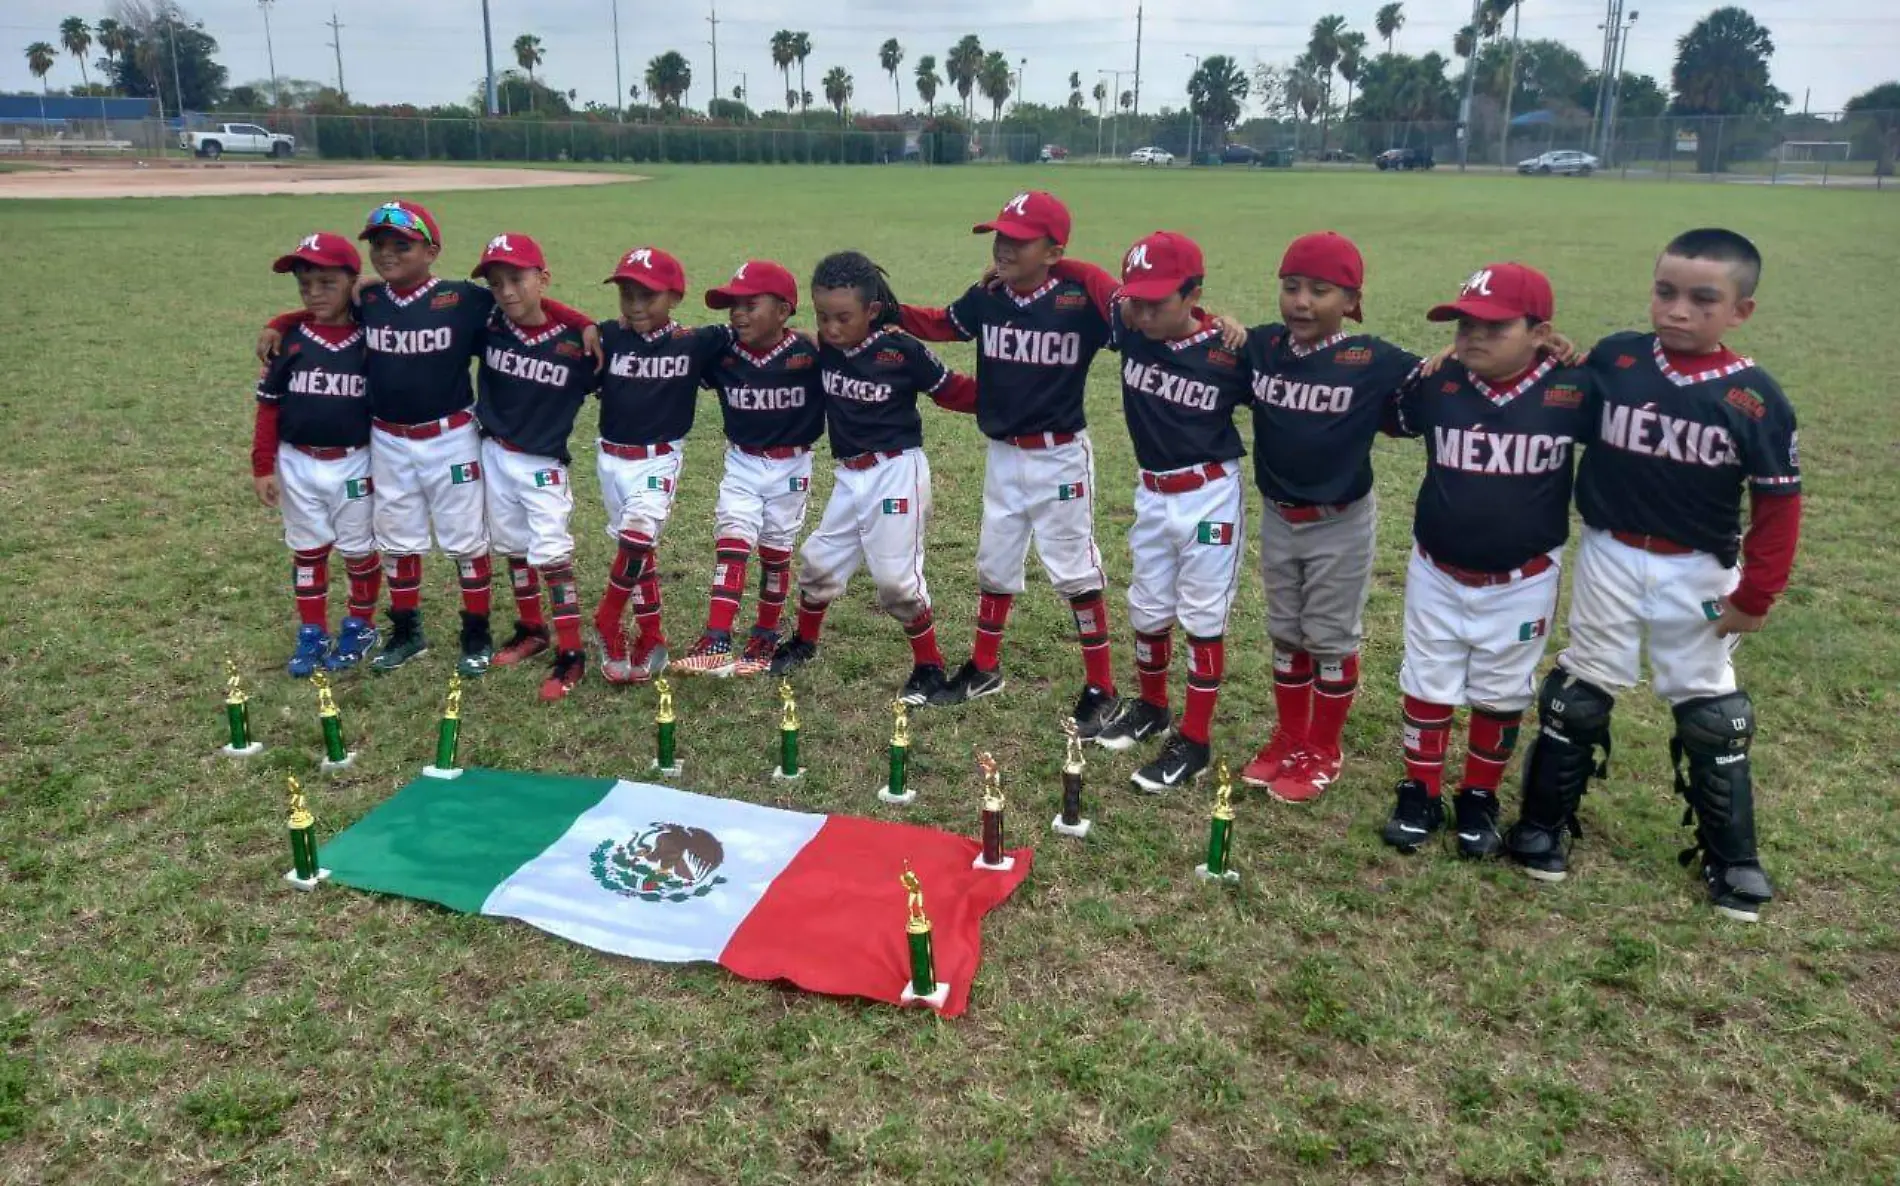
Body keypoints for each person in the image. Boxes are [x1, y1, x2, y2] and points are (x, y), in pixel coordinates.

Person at [1502, 228, 1801, 923]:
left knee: (1713, 714)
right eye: (1666, 292)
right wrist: (1548, 354)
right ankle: (1542, 828)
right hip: (1609, 550)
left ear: (1740, 311)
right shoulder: (1619, 356)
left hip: (1697, 569)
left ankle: (1734, 862)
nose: (1678, 310)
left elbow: (1778, 504)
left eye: (1703, 299)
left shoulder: (1753, 395)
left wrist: (1757, 594)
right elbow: (1556, 403)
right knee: (1578, 693)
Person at [256, 199, 597, 677]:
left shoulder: (462, 299)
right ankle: (406, 630)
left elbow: (524, 299)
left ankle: (475, 632)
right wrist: (280, 323)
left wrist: (581, 323)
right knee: (397, 539)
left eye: (402, 244)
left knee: (466, 540)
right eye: (378, 245)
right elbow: (322, 308)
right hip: (388, 439)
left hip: (451, 436)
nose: (388, 253)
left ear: (431, 250)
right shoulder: (368, 300)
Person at [1380, 262, 1594, 858]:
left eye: (1494, 327)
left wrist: (1574, 357)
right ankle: (1419, 790)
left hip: (1523, 574)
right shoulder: (1439, 382)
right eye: (1464, 323)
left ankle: (1478, 796)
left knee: (1501, 690)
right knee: (1428, 680)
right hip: (1437, 565)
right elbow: (1389, 415)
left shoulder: (1574, 388)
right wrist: (1421, 367)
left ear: (1541, 331)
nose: (1472, 336)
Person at [898, 190, 1123, 737]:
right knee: (994, 562)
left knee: (1073, 569)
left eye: (1019, 242)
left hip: (1060, 456)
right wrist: (886, 309)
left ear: (1054, 252)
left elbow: (1136, 316)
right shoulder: (990, 296)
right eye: (1000, 237)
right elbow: (943, 323)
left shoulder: (1079, 298)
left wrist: (1077, 269)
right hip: (1003, 453)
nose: (1003, 248)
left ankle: (1103, 688)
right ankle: (984, 667)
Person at [1235, 232, 1424, 802]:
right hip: (1278, 513)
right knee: (1286, 630)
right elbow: (1213, 345)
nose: (1302, 302)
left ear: (1351, 299)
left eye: (1320, 291)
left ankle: (1323, 746)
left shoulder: (1372, 358)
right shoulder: (1262, 346)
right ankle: (1290, 733)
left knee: (1330, 636)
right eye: (1291, 287)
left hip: (1339, 519)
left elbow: (1438, 381)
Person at [768, 251, 978, 704]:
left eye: (844, 317)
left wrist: (1012, 396)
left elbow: (953, 391)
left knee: (897, 583)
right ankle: (805, 642)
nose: (832, 328)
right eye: (823, 316)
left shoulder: (900, 350)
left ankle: (929, 667)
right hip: (849, 475)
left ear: (872, 311)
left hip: (895, 472)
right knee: (818, 563)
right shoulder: (824, 349)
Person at [1088, 232, 1253, 792]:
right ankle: (1153, 707)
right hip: (1151, 491)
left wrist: (1237, 330)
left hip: (1209, 493)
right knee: (1148, 604)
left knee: (1203, 617)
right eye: (1136, 298)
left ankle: (1196, 739)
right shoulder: (1130, 325)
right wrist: (1013, 271)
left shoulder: (1231, 353)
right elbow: (1090, 282)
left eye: (1159, 300)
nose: (1143, 309)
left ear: (1193, 295)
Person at [671, 260, 826, 678]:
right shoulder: (723, 355)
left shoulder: (808, 353)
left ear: (783, 310)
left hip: (792, 464)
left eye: (749, 305)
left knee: (776, 552)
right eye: (732, 307)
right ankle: (716, 638)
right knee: (733, 539)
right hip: (742, 459)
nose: (737, 314)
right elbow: (677, 354)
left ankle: (765, 633)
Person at [590, 247, 732, 685]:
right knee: (640, 555)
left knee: (637, 537)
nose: (635, 305)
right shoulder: (608, 337)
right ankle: (651, 636)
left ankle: (607, 619)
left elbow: (755, 332)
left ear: (674, 296)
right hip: (609, 458)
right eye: (626, 294)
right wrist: (583, 327)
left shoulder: (694, 341)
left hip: (658, 458)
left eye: (647, 296)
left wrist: (807, 340)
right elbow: (570, 332)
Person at [468, 233, 600, 701]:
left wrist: (580, 320)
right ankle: (531, 629)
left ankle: (571, 653)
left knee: (552, 556)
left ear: (542, 279)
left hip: (543, 464)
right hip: (493, 452)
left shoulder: (575, 343)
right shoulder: (489, 324)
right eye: (496, 282)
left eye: (517, 280)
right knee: (512, 548)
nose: (506, 292)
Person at [250, 231, 381, 676]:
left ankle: (361, 625)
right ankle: (312, 631)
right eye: (305, 283)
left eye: (327, 283)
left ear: (352, 282)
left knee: (359, 550)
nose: (314, 293)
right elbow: (268, 407)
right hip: (297, 461)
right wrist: (262, 465)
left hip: (355, 460)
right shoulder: (289, 341)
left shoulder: (370, 337)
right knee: (308, 551)